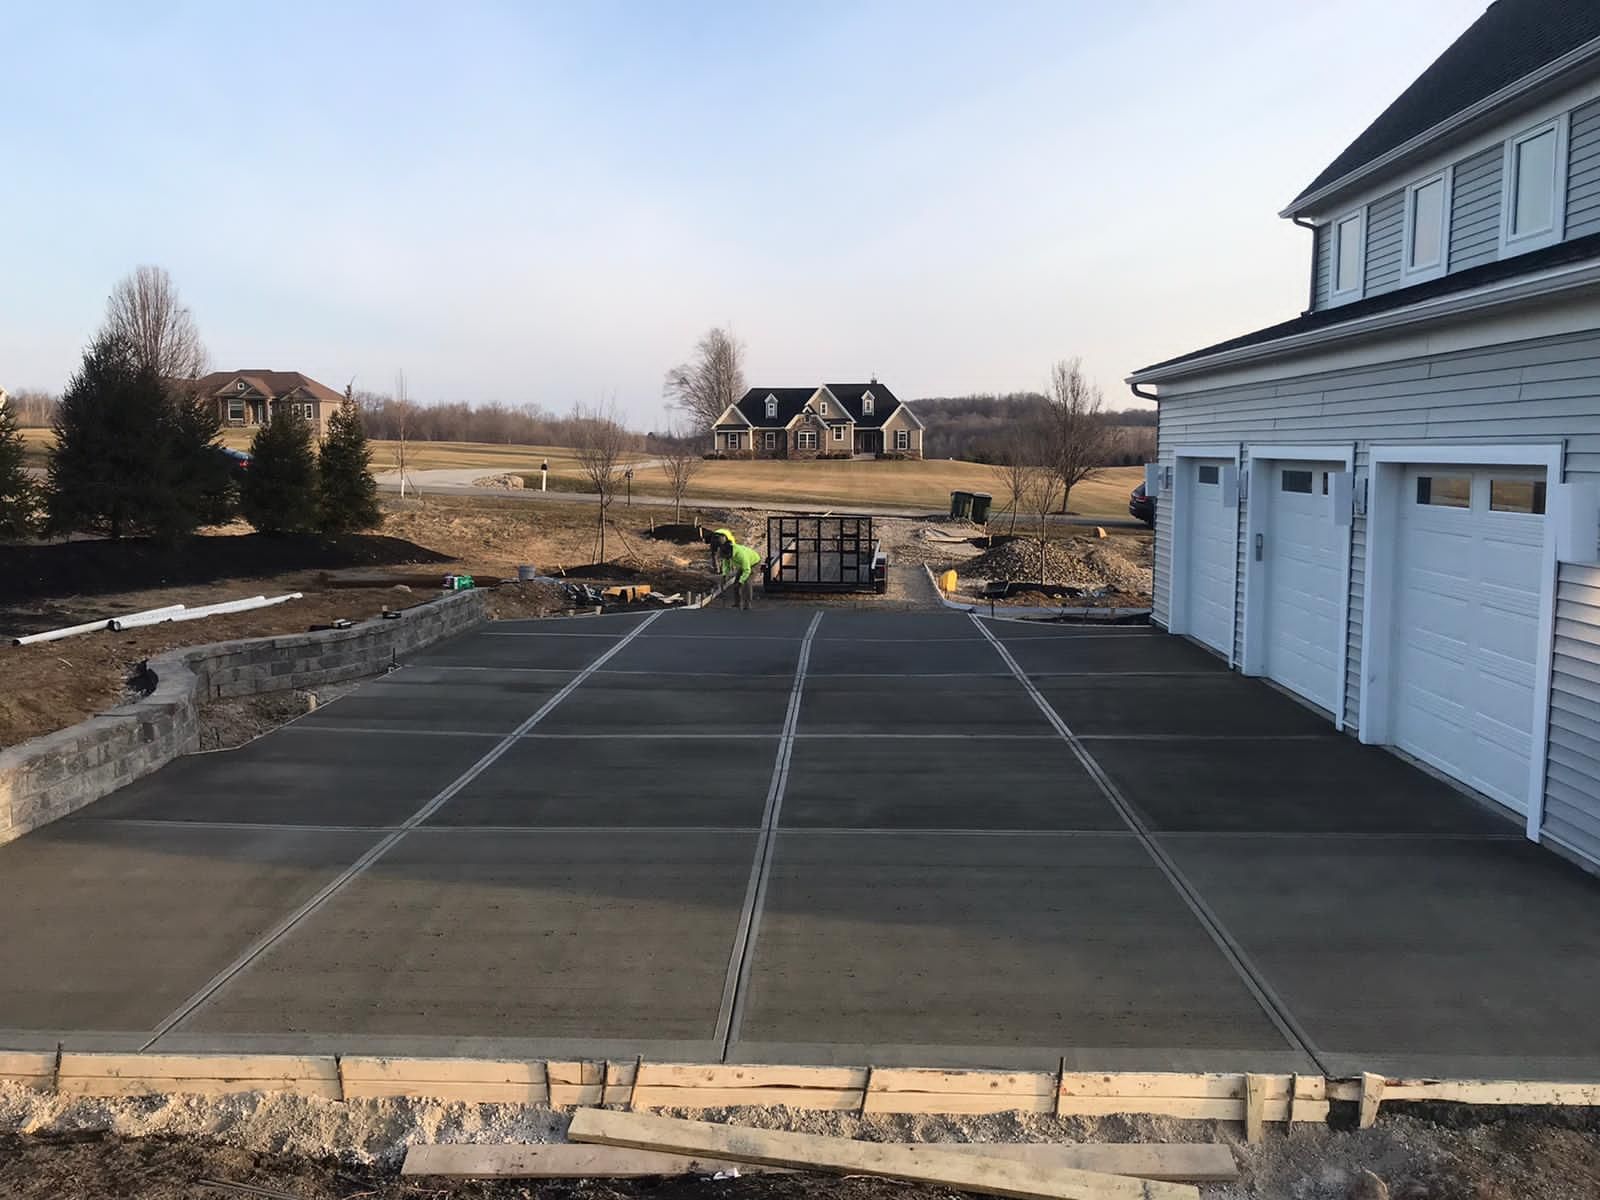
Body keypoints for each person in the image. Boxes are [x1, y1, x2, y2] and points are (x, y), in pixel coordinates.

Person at [724, 540, 762, 610]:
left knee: (747, 582)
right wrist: (725, 575)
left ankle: (747, 605)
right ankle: (737, 603)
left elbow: (747, 570)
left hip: (754, 563)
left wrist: (741, 582)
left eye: (727, 557)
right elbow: (726, 565)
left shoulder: (741, 555)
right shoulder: (726, 552)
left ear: (730, 553)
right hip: (743, 565)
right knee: (736, 583)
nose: (726, 558)